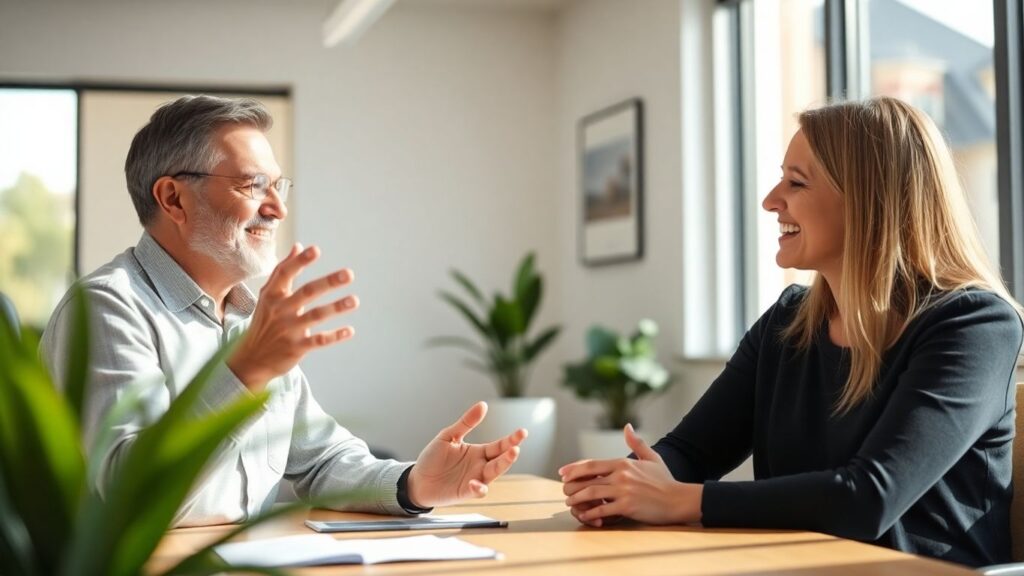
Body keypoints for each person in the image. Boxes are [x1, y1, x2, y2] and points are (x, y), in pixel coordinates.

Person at [559, 96, 1024, 567]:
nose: (770, 200)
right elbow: (690, 450)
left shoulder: (975, 326)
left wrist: (683, 499)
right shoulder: (787, 322)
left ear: (869, 202)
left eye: (796, 182)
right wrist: (622, 486)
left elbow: (868, 499)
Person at [40, 94, 527, 527]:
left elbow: (320, 460)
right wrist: (244, 371)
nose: (278, 208)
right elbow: (127, 503)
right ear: (173, 198)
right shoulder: (106, 308)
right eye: (254, 185)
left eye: (279, 186)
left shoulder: (250, 319)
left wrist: (414, 485)